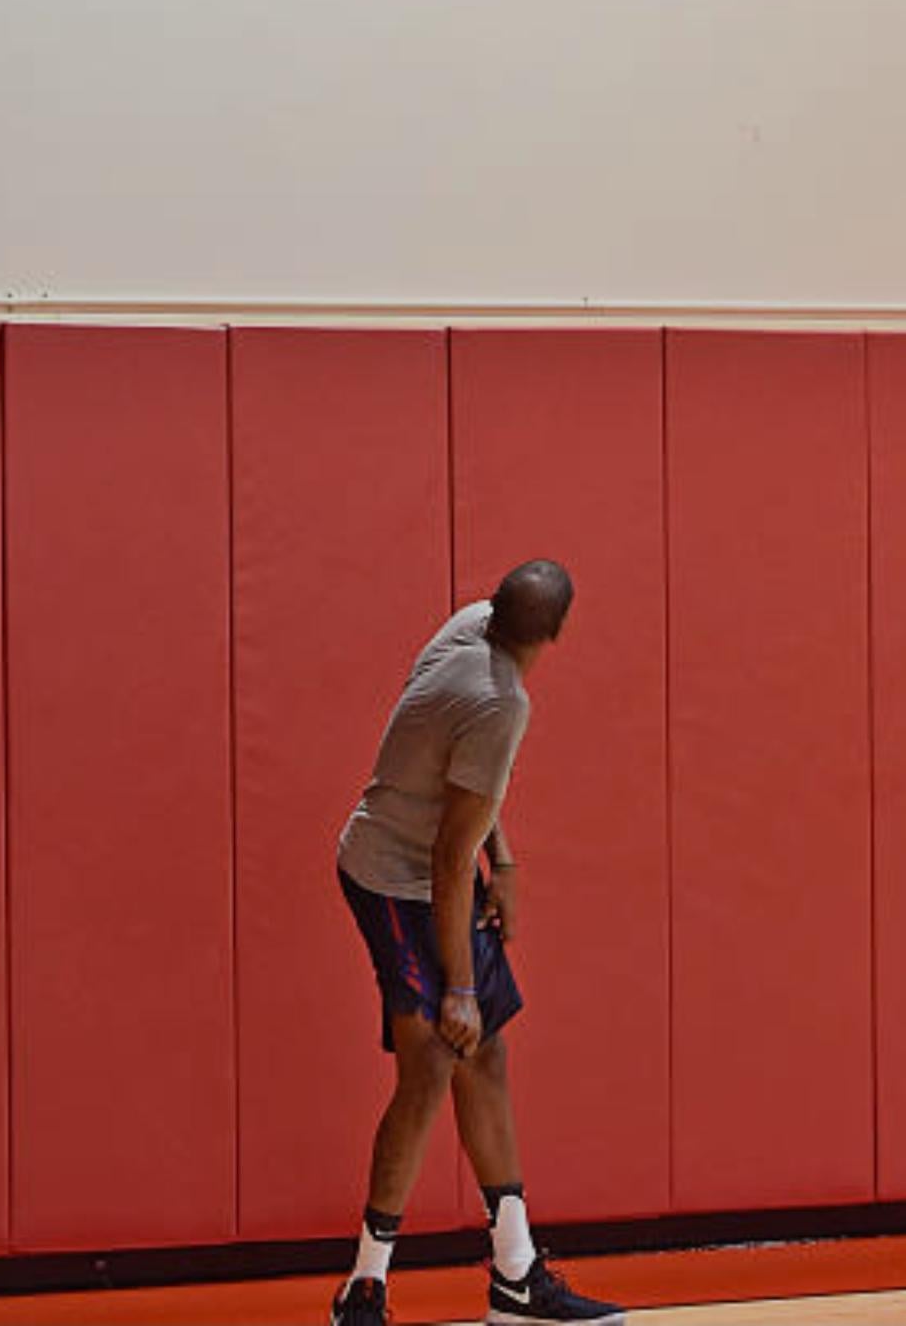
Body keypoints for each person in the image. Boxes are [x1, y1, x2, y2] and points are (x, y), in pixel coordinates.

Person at [333, 560, 622, 1326]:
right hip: (391, 877)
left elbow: (460, 789)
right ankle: (363, 1288)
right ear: (557, 634)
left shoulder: (466, 623)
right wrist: (459, 988)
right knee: (433, 1060)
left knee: (484, 1051)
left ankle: (517, 1276)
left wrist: (507, 861)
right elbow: (446, 859)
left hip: (435, 869)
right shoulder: (503, 705)